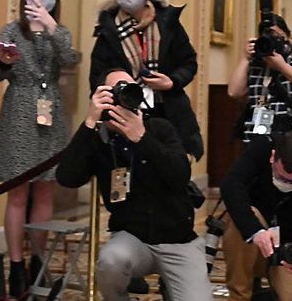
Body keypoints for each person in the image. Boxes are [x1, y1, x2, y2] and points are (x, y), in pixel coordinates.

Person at [55, 69, 211, 300]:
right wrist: (90, 120)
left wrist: (141, 137)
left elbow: (179, 175)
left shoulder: (159, 128)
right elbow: (67, 177)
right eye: (117, 90)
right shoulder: (100, 140)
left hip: (179, 241)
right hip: (132, 238)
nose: (125, 95)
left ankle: (172, 286)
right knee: (110, 261)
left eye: (130, 88)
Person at [0, 0, 80, 297]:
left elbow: (70, 59)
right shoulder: (11, 30)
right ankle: (16, 265)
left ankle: (38, 264)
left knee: (45, 191)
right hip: (19, 109)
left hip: (52, 113)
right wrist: (4, 61)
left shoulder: (61, 31)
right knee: (17, 193)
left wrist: (50, 26)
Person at [89, 0, 203, 160]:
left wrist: (171, 81)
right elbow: (97, 77)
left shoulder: (167, 23)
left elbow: (188, 62)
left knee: (170, 166)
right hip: (128, 109)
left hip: (168, 108)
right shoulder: (107, 33)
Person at [220, 131, 292, 301]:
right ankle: (239, 296)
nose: (286, 183)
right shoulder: (262, 148)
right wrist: (256, 231)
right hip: (255, 244)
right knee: (237, 220)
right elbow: (231, 185)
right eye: (281, 176)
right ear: (273, 157)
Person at [227, 13, 292, 139]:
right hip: (258, 137)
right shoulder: (257, 64)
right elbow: (234, 92)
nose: (273, 42)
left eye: (277, 37)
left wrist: (282, 66)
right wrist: (245, 59)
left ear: (288, 36)